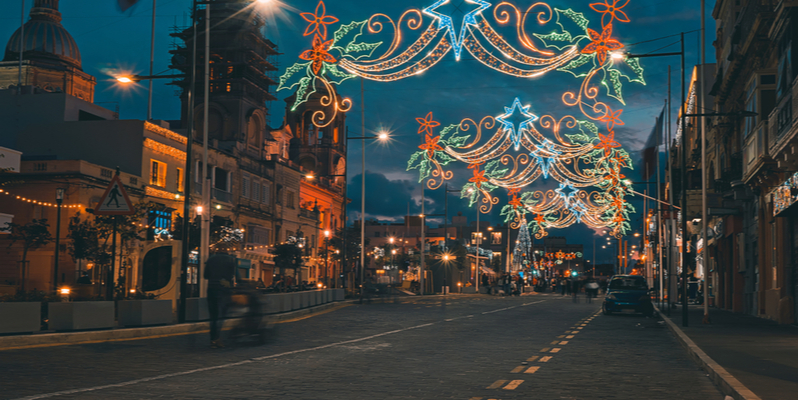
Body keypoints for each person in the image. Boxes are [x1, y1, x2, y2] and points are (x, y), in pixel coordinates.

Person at [204, 249, 236, 348]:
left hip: (211, 289)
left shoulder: (211, 259)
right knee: (221, 315)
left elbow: (205, 275)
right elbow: (236, 275)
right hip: (224, 290)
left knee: (213, 316)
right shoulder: (231, 260)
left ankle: (213, 339)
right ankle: (217, 338)